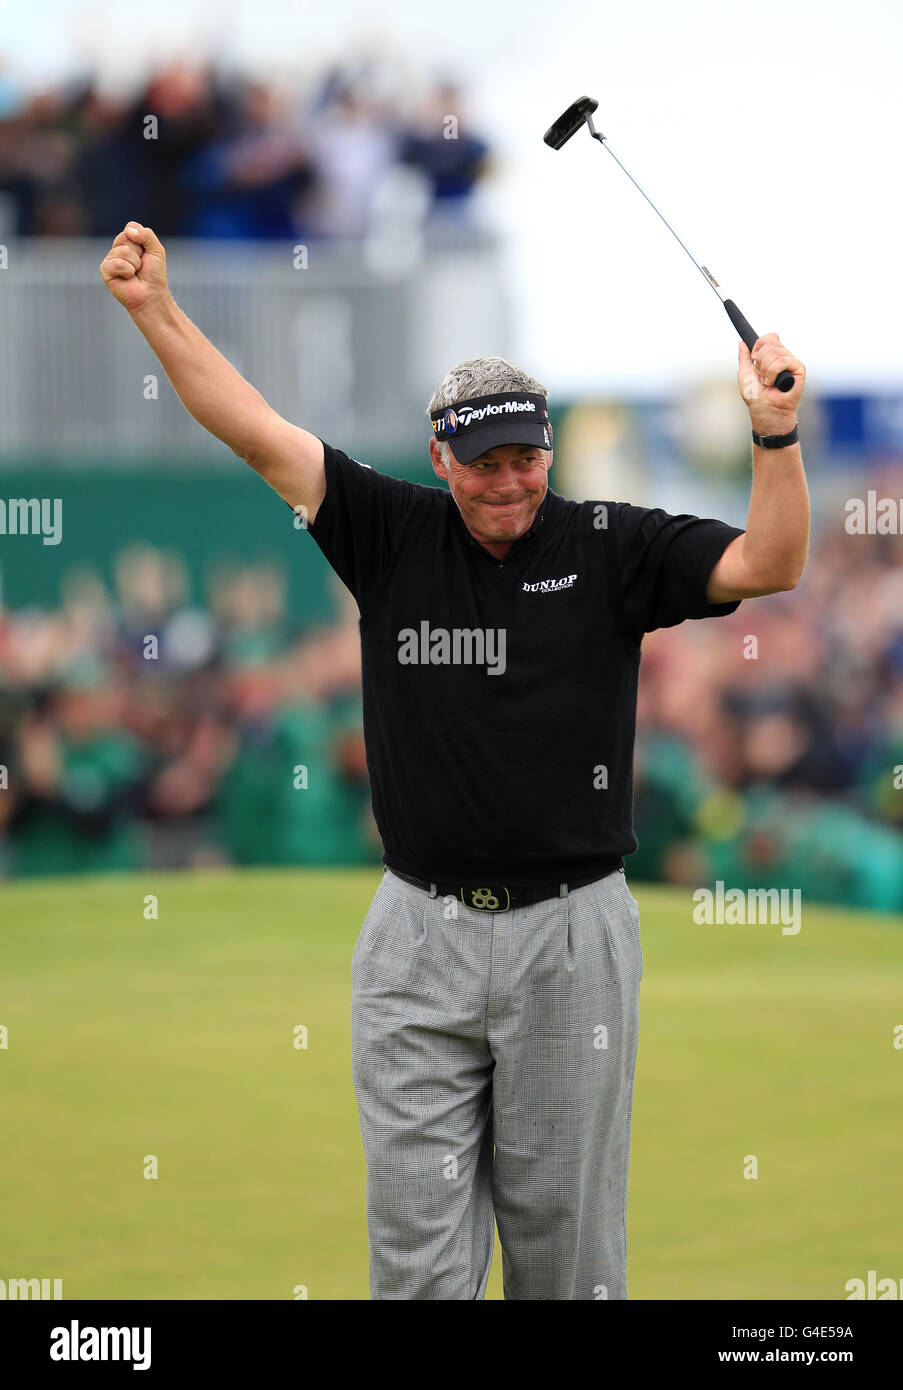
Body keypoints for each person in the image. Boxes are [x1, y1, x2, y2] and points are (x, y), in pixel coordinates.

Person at [100, 221, 809, 1299]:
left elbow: (771, 561)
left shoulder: (613, 544)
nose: (509, 481)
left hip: (572, 934)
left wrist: (775, 436)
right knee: (417, 1267)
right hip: (416, 935)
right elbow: (252, 430)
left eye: (526, 456)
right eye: (484, 463)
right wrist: (155, 309)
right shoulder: (390, 531)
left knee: (566, 1263)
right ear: (441, 458)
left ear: (549, 451)